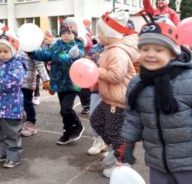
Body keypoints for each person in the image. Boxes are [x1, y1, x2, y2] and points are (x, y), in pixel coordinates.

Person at [120, 16, 192, 184]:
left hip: (188, 162)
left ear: (173, 53)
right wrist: (127, 146)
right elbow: (133, 118)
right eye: (145, 49)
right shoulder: (137, 84)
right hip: (156, 161)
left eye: (158, 50)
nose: (150, 54)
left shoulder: (188, 80)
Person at [90, 10, 139, 178]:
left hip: (118, 103)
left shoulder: (117, 52)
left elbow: (116, 76)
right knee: (96, 121)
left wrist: (96, 72)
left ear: (109, 33)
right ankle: (115, 150)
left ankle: (122, 166)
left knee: (117, 135)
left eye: (100, 32)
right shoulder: (109, 49)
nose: (98, 35)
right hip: (109, 99)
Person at [29, 19, 85, 145]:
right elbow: (45, 54)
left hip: (72, 84)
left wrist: (75, 55)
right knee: (63, 111)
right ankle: (67, 132)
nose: (66, 35)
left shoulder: (77, 45)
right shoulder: (56, 45)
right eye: (63, 33)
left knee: (66, 109)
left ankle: (78, 126)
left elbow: (79, 56)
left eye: (68, 33)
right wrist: (32, 52)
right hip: (59, 84)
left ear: (74, 34)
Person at [0, 28, 26, 168]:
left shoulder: (17, 64)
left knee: (11, 132)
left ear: (13, 50)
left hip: (11, 105)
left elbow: (12, 82)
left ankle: (14, 155)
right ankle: (4, 151)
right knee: (0, 130)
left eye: (5, 51)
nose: (1, 54)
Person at [19, 50, 49, 137]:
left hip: (27, 82)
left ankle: (31, 125)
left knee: (27, 103)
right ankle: (20, 122)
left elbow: (40, 65)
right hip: (16, 82)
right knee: (18, 103)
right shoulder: (17, 49)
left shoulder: (34, 51)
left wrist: (46, 80)